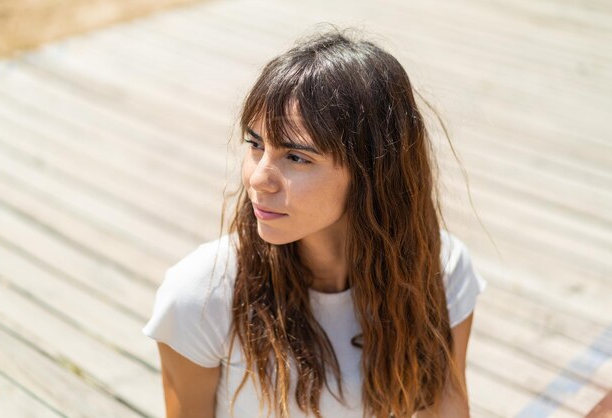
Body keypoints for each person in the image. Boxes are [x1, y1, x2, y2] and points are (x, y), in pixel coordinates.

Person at [143, 28, 487, 418]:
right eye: (256, 145)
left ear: (373, 172)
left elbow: (447, 408)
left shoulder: (441, 271)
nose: (258, 179)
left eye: (296, 157)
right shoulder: (200, 295)